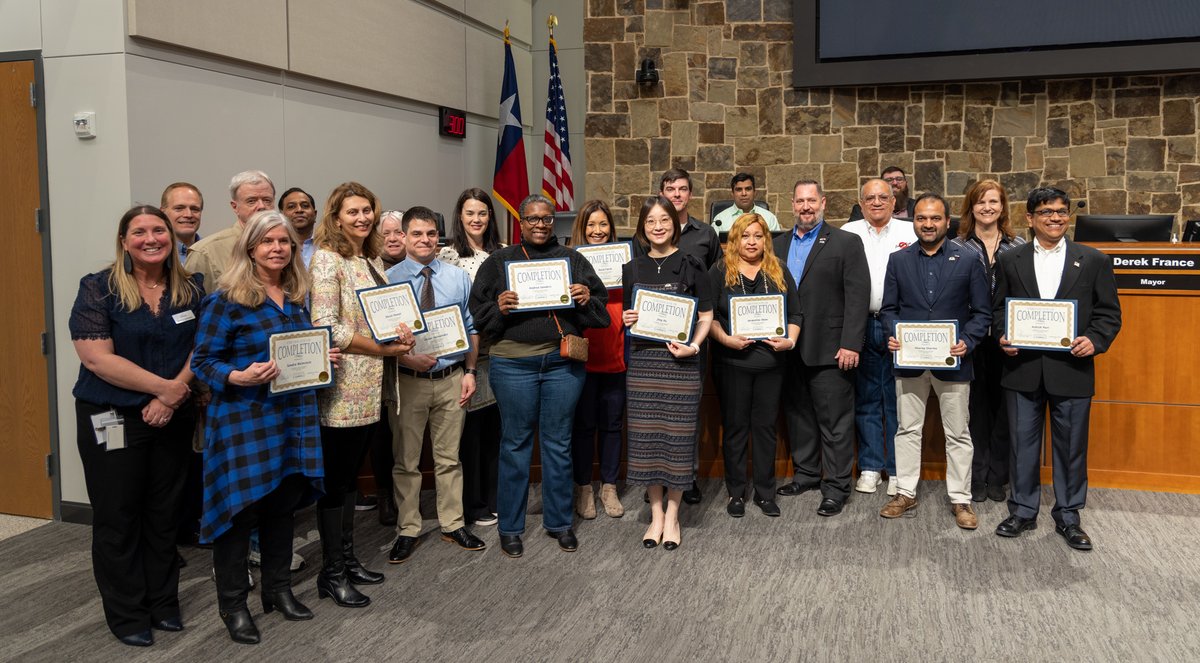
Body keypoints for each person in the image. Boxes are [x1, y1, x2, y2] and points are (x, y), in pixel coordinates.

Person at [191, 210, 330, 644]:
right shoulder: (226, 299)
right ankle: (234, 606)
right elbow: (203, 362)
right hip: (244, 420)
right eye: (267, 241)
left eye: (284, 242)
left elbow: (298, 353)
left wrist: (324, 359)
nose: (277, 248)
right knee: (239, 516)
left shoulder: (295, 296)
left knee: (281, 509)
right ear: (249, 248)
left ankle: (278, 591)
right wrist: (236, 376)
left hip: (292, 420)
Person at [69, 205, 203, 647]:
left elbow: (203, 347)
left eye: (158, 230)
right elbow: (96, 358)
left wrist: (173, 394)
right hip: (112, 416)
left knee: (164, 514)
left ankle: (163, 603)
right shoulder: (99, 288)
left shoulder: (191, 289)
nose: (151, 238)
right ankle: (127, 613)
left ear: (170, 237)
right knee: (118, 515)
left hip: (172, 415)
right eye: (140, 231)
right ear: (124, 240)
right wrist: (163, 390)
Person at [468, 194, 610, 558]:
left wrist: (583, 298)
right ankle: (510, 527)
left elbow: (600, 314)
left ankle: (560, 523)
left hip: (562, 364)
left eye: (547, 219)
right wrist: (498, 306)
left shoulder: (573, 260)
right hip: (513, 364)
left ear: (554, 222)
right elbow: (478, 316)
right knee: (515, 444)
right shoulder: (499, 262)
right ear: (521, 222)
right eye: (532, 219)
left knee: (558, 443)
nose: (540, 225)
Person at [993, 187, 1122, 551]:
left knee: (1071, 448)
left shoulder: (1092, 260)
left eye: (1062, 212)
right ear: (1030, 218)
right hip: (1023, 369)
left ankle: (1068, 517)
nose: (1056, 218)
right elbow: (997, 310)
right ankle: (1022, 511)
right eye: (1047, 212)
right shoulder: (1010, 259)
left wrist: (1095, 340)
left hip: (1072, 369)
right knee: (1022, 446)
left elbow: (1108, 314)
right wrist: (1003, 335)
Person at [310, 182, 415, 605]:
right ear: (336, 217)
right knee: (336, 481)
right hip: (342, 388)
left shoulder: (370, 257)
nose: (362, 218)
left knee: (351, 478)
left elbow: (384, 311)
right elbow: (326, 323)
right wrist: (383, 348)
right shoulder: (326, 259)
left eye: (367, 211)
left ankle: (348, 560)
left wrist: (403, 330)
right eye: (353, 212)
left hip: (372, 387)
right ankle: (330, 572)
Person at [878, 194, 991, 529]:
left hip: (954, 362)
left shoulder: (969, 259)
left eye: (935, 219)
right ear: (913, 220)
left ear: (947, 220)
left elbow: (982, 313)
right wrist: (892, 334)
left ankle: (961, 499)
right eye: (921, 219)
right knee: (907, 429)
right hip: (909, 361)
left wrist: (967, 341)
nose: (928, 225)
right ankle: (906, 492)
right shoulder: (898, 260)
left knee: (958, 433)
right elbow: (889, 310)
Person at [385, 206, 485, 563]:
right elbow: (380, 337)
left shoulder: (457, 278)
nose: (425, 240)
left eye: (431, 234)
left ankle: (452, 523)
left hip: (451, 379)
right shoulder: (388, 279)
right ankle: (408, 528)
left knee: (449, 458)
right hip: (408, 381)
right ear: (403, 237)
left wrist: (470, 371)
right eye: (417, 234)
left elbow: (472, 328)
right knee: (406, 461)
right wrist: (405, 357)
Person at [773, 180, 870, 517]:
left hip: (831, 347)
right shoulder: (777, 243)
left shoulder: (846, 242)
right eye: (799, 201)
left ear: (824, 202)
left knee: (835, 422)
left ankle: (837, 486)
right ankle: (807, 474)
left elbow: (858, 296)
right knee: (798, 415)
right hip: (785, 346)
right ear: (792, 204)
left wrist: (850, 344)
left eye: (811, 200)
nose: (805, 207)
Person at [622, 195, 714, 550]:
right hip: (644, 365)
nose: (657, 227)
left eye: (663, 220)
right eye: (650, 222)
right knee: (646, 441)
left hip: (681, 364)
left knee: (677, 441)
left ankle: (673, 517)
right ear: (643, 228)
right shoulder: (632, 268)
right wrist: (628, 318)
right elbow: (631, 316)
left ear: (674, 225)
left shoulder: (691, 264)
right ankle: (655, 516)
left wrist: (694, 345)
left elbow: (706, 316)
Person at [707, 214, 800, 518]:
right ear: (734, 239)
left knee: (764, 429)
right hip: (731, 362)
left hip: (771, 364)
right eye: (745, 236)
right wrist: (726, 339)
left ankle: (764, 492)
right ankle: (736, 493)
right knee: (734, 428)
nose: (751, 242)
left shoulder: (779, 270)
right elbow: (708, 318)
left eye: (757, 236)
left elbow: (796, 315)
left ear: (765, 240)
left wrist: (791, 341)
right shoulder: (719, 270)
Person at [645, 168, 723, 504]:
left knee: (687, 412)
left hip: (693, 338)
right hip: (651, 338)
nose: (676, 194)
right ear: (662, 192)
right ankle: (655, 479)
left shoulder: (706, 234)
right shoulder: (648, 233)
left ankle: (685, 477)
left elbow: (718, 280)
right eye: (670, 189)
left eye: (682, 190)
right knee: (655, 414)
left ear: (690, 194)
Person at [842, 178, 918, 497]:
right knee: (867, 398)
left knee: (899, 400)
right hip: (860, 324)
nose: (876, 202)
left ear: (893, 201)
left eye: (882, 197)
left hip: (898, 327)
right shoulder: (847, 234)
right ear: (861, 204)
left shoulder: (911, 231)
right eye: (869, 198)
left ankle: (899, 469)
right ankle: (871, 467)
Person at [953, 180, 1025, 503]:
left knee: (1004, 413)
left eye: (993, 202)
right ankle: (977, 476)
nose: (987, 208)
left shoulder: (1019, 245)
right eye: (980, 202)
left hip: (1008, 341)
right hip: (971, 341)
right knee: (975, 412)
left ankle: (999, 476)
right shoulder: (957, 246)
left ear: (1002, 207)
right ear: (971, 207)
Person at [441, 188, 504, 527]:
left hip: (503, 353)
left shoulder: (505, 253)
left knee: (498, 430)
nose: (477, 219)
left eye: (482, 213)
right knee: (473, 433)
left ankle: (496, 498)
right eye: (470, 213)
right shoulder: (448, 257)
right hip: (471, 357)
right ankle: (475, 503)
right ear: (460, 217)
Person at [568, 200, 627, 519]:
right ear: (582, 228)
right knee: (584, 425)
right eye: (591, 225)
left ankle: (609, 486)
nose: (597, 231)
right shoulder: (569, 261)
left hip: (616, 348)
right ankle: (583, 488)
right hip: (582, 353)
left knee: (612, 424)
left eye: (603, 224)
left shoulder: (623, 259)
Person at [186, 170, 276, 291]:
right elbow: (191, 306)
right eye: (251, 201)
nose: (261, 206)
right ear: (235, 207)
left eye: (267, 200)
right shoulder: (205, 252)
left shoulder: (286, 248)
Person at [710, 172, 782, 233]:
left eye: (748, 189)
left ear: (754, 192)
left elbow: (776, 246)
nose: (744, 193)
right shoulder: (720, 219)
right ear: (732, 194)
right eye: (739, 189)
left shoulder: (769, 218)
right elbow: (714, 247)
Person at [848, 166, 917, 221]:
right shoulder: (861, 208)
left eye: (899, 179)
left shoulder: (916, 206)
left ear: (906, 183)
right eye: (889, 180)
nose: (895, 183)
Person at [160, 182, 204, 263]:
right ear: (163, 213)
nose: (188, 215)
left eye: (194, 209)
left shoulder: (213, 251)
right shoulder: (155, 255)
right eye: (179, 208)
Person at [279, 187, 318, 267]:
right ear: (281, 215)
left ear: (315, 214)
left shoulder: (330, 245)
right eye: (291, 207)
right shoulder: (275, 247)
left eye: (305, 206)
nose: (299, 210)